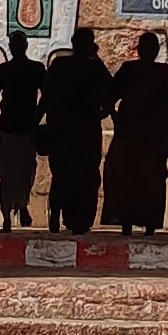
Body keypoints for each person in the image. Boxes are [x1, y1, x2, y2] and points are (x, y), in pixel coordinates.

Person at [103, 29, 168, 236]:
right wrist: (116, 118)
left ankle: (133, 224)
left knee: (135, 179)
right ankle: (140, 224)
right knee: (141, 179)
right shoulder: (156, 72)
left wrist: (116, 117)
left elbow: (109, 97)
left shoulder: (141, 71)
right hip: (142, 136)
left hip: (143, 136)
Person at [43, 26, 115, 235]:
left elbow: (47, 97)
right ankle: (70, 218)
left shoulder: (63, 65)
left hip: (71, 129)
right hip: (78, 130)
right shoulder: (89, 68)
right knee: (77, 175)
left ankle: (66, 216)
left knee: (67, 175)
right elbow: (109, 92)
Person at [0, 31, 47, 230]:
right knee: (17, 171)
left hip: (17, 126)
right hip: (20, 126)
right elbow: (48, 97)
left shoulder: (10, 70)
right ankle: (13, 211)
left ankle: (16, 208)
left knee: (15, 171)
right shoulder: (32, 69)